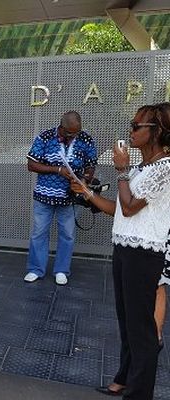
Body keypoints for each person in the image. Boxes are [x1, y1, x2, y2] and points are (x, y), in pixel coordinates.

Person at [71, 103, 170, 399]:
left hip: (145, 253)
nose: (131, 130)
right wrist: (88, 194)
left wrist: (122, 170)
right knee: (128, 322)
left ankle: (139, 393)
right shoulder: (143, 169)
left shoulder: (165, 169)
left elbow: (129, 205)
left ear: (158, 132)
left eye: (137, 126)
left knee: (142, 329)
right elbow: (119, 210)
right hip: (126, 247)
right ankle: (125, 378)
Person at [24, 111, 97, 285]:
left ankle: (62, 270)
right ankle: (36, 269)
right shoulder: (45, 137)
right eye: (70, 133)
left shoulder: (86, 139)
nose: (74, 136)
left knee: (68, 234)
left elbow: (91, 164)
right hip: (44, 195)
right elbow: (31, 164)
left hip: (70, 197)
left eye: (76, 132)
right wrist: (57, 170)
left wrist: (84, 181)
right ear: (61, 127)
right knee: (39, 233)